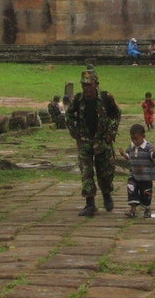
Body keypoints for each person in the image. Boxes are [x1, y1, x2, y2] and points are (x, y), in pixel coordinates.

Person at [66, 67, 121, 216]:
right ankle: (90, 203)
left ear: (96, 84)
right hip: (85, 140)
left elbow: (116, 114)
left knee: (106, 171)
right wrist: (75, 132)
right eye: (84, 85)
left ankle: (107, 194)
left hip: (102, 140)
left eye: (89, 85)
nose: (87, 88)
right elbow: (69, 115)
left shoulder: (106, 98)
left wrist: (111, 132)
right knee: (86, 172)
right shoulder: (78, 99)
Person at [120, 124, 155, 218]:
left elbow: (152, 155)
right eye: (132, 139)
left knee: (146, 193)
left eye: (136, 139)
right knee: (131, 189)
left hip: (145, 176)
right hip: (134, 174)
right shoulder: (131, 147)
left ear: (143, 137)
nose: (134, 141)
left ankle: (147, 208)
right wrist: (124, 154)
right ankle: (133, 209)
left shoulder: (148, 147)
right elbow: (129, 157)